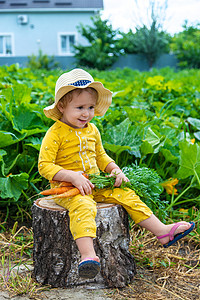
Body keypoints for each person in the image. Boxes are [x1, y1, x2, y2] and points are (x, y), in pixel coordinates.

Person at [38, 68, 195, 279]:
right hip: (70, 189)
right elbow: (44, 165)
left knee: (127, 195)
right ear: (62, 106)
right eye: (80, 107)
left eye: (91, 107)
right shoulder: (55, 133)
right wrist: (72, 176)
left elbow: (101, 156)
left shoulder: (92, 130)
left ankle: (162, 232)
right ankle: (88, 256)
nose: (86, 113)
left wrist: (114, 170)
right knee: (84, 207)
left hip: (96, 182)